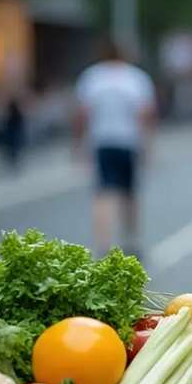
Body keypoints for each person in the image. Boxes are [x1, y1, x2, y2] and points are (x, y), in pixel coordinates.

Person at [74, 39, 156, 257]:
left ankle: (103, 245)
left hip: (102, 142)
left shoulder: (92, 77)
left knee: (103, 194)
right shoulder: (136, 78)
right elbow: (144, 115)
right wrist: (148, 146)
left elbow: (83, 114)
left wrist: (78, 144)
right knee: (130, 195)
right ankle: (132, 240)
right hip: (128, 142)